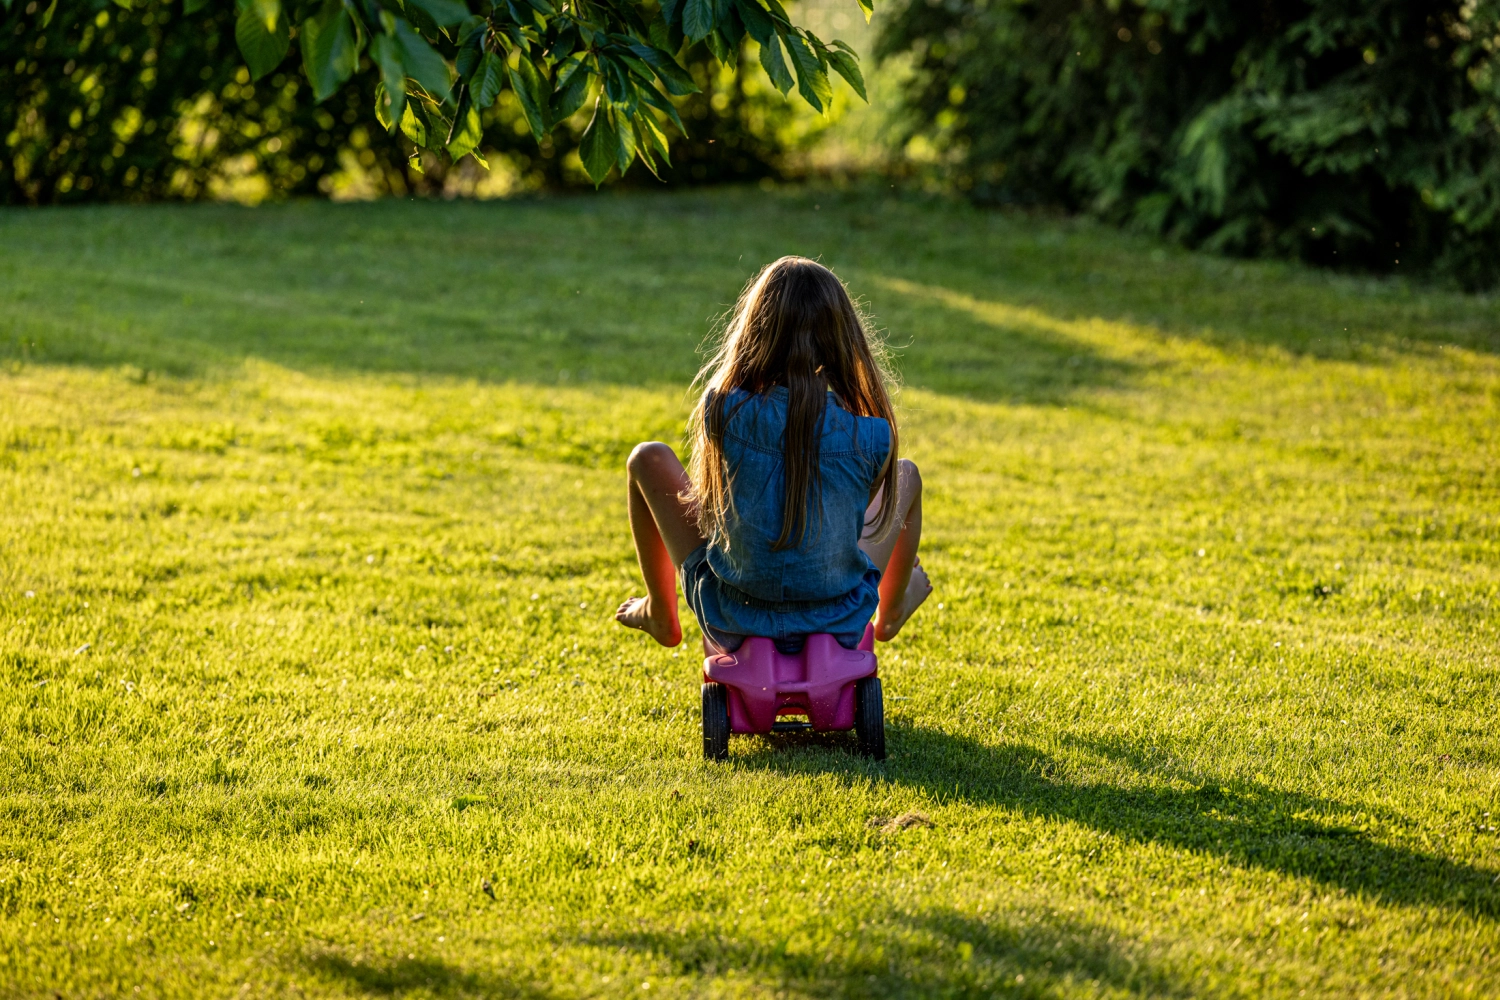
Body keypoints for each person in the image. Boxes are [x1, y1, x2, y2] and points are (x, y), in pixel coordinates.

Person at [615, 256, 931, 653]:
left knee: (648, 457)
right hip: (839, 619)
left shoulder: (723, 410)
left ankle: (660, 612)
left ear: (754, 331)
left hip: (731, 613)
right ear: (844, 341)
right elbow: (853, 519)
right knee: (906, 476)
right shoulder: (873, 435)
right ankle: (893, 608)